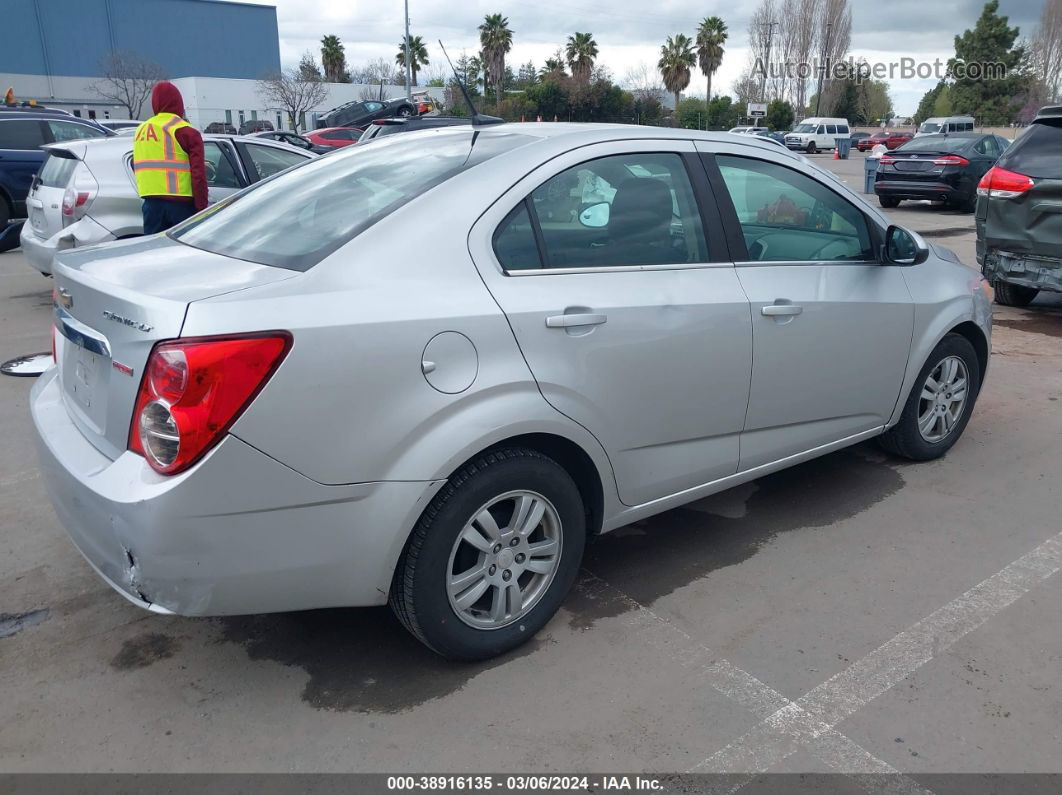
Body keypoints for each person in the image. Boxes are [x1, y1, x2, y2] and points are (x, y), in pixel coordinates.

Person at [133, 82, 207, 234]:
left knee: (154, 252)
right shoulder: (186, 131)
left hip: (151, 205)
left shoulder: (140, 130)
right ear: (178, 103)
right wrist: (202, 209)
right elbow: (198, 174)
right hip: (182, 206)